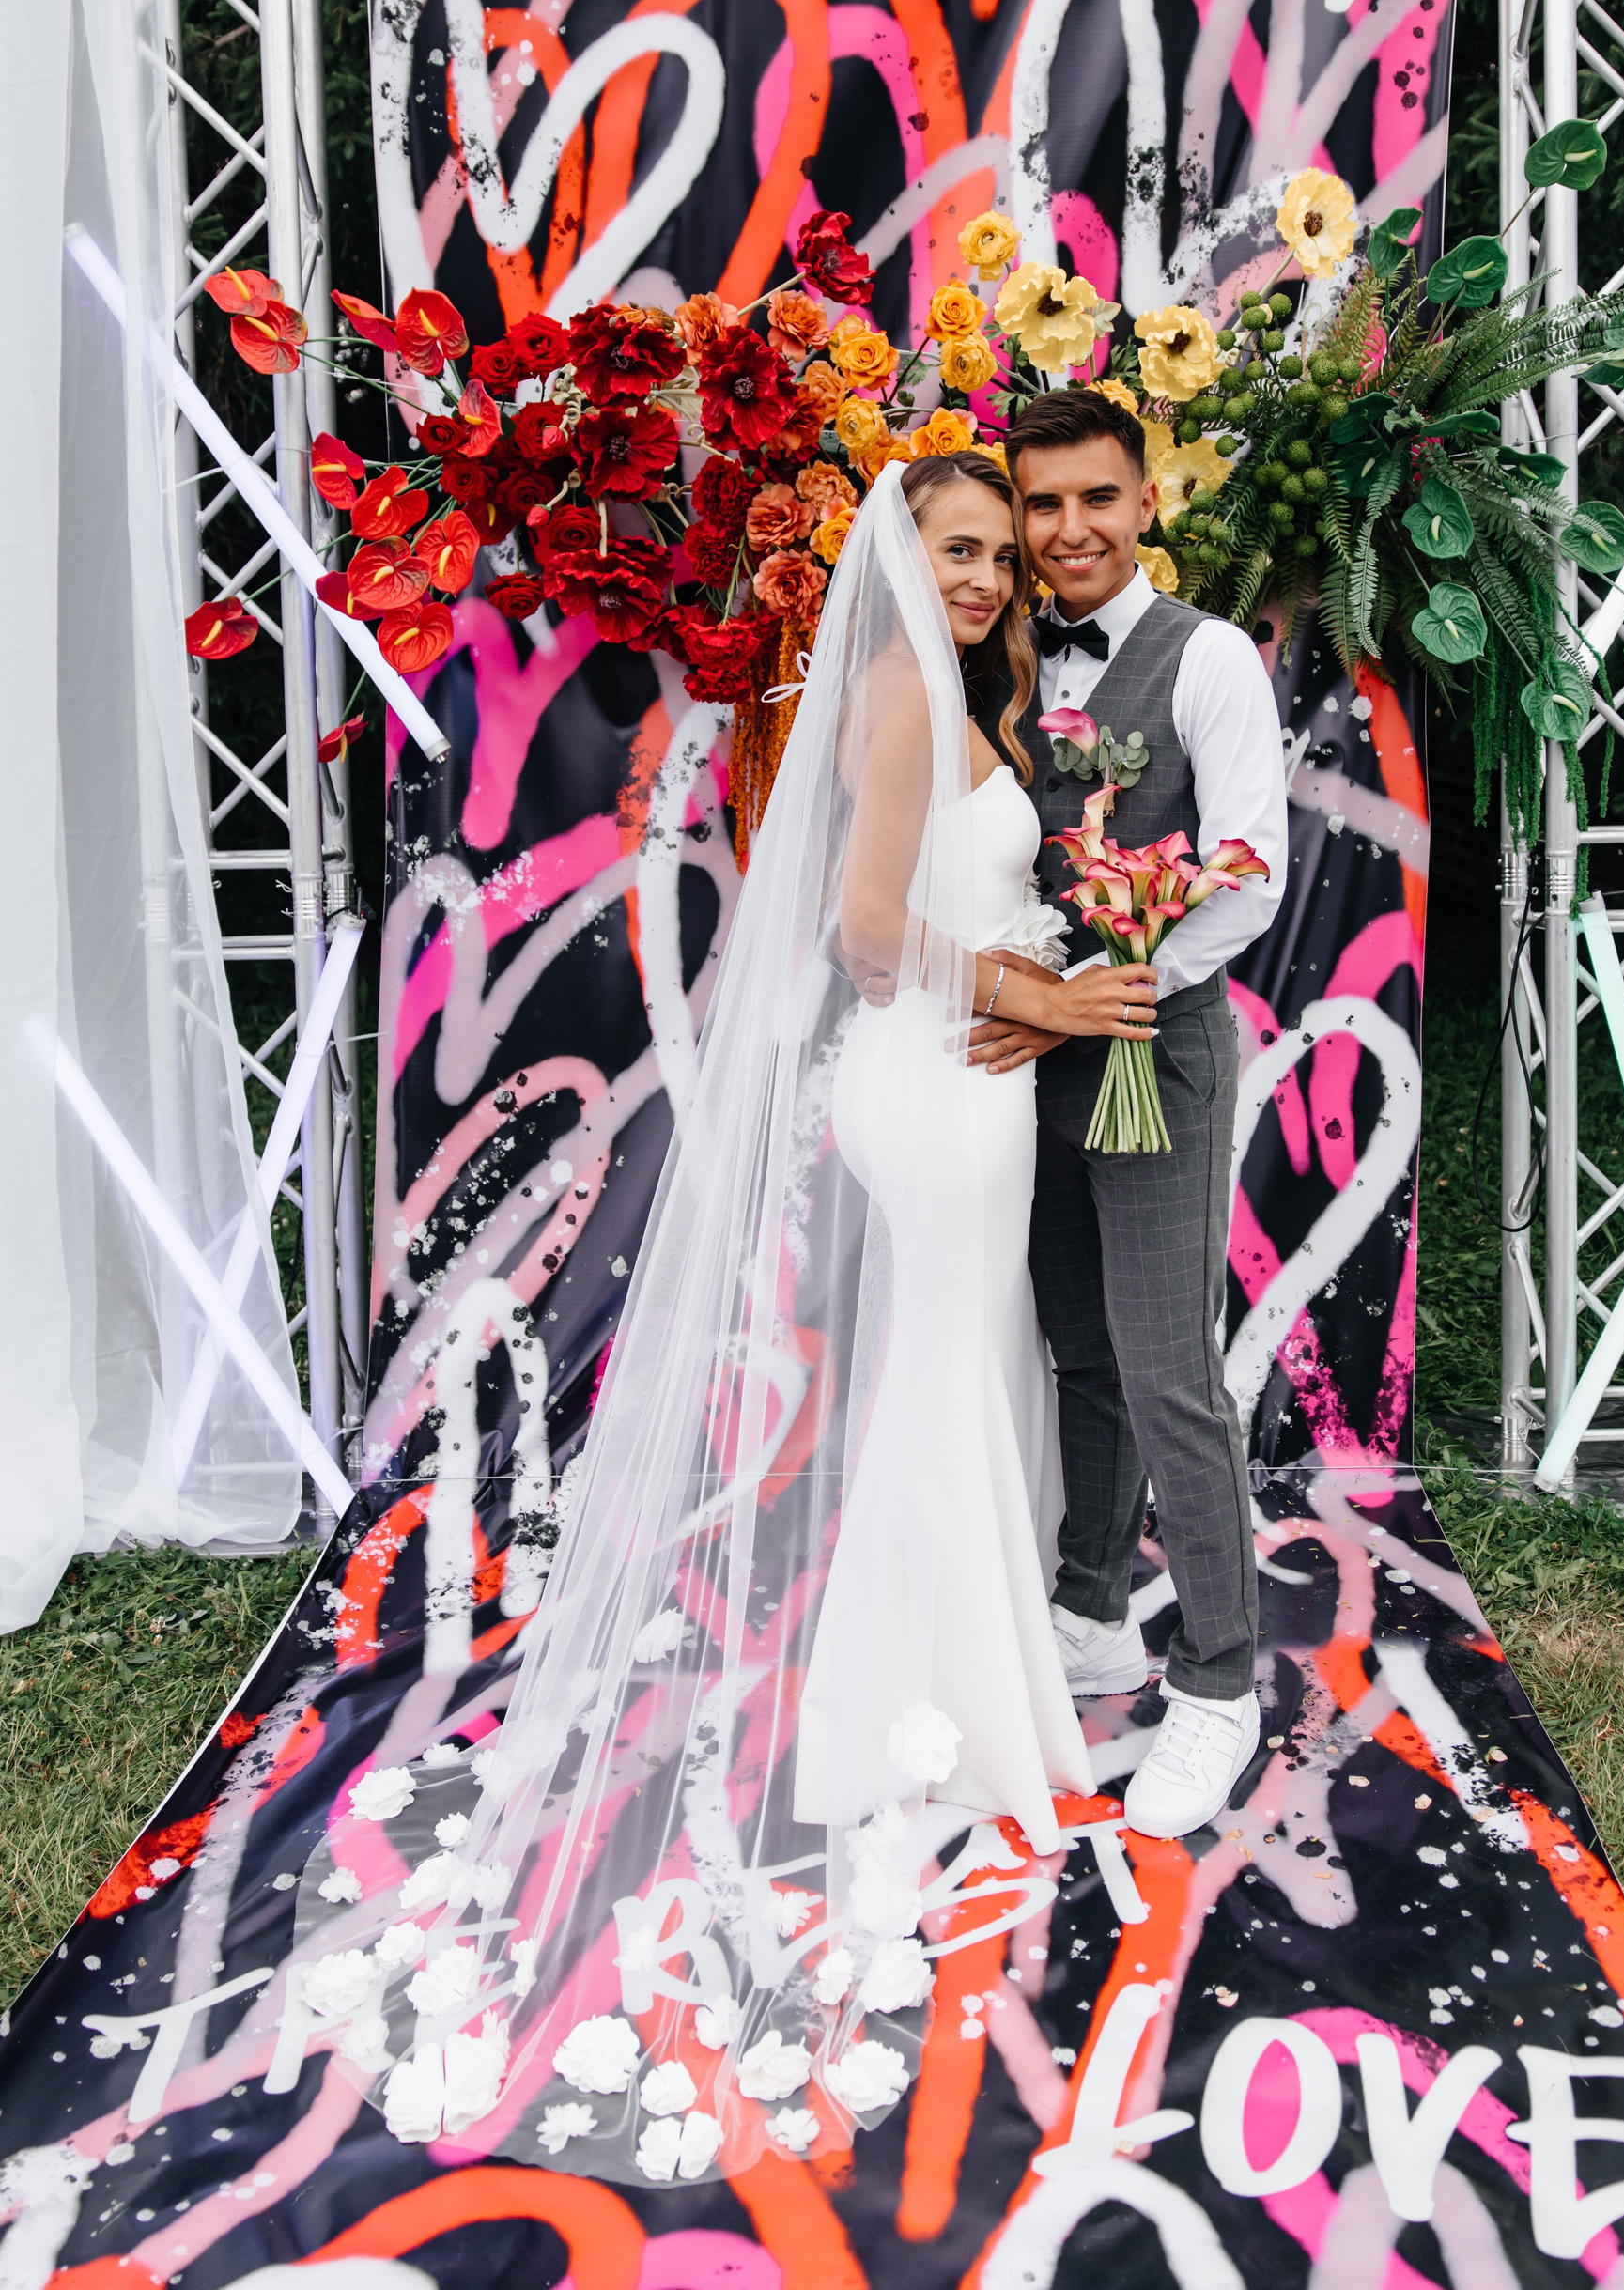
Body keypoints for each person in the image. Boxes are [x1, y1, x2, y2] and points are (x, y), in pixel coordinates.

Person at [296, 455, 1163, 2189]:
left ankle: (942, 1687)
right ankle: (902, 1714)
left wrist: (1048, 976)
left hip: (968, 1078)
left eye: (1001, 557)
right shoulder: (906, 692)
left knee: (970, 1370)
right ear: (896, 556)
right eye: (960, 549)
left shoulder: (959, 696)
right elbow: (865, 931)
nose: (987, 578)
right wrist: (1050, 996)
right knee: (945, 1380)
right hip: (935, 1080)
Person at [968, 388, 1288, 1840]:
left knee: (1171, 1375)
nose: (1069, 528)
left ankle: (1220, 1681)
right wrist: (1036, 1001)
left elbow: (1250, 874)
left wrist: (1107, 989)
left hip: (1154, 1046)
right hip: (1031, 1058)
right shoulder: (1004, 655)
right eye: (1042, 504)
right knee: (1079, 1353)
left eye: (1096, 497)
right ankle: (1092, 1612)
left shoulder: (1207, 656)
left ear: (1146, 502)